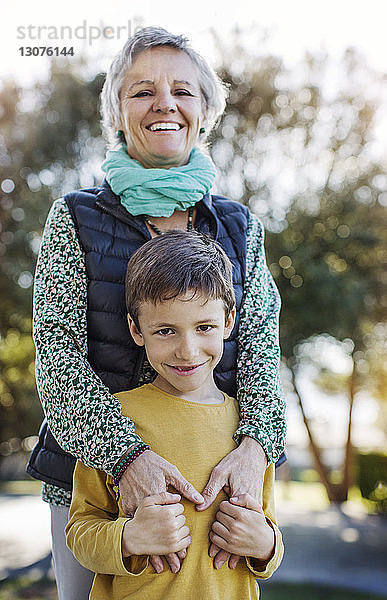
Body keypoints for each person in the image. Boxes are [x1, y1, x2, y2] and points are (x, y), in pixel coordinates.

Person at [27, 26, 286, 600]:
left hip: (211, 486)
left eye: (183, 91)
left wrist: (255, 452)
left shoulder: (239, 227)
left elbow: (262, 357)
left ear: (205, 110)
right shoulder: (74, 217)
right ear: (117, 112)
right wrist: (127, 458)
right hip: (96, 485)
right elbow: (58, 360)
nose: (164, 104)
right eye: (142, 91)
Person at [66, 230, 284, 600]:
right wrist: (130, 537)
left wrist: (264, 544)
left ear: (229, 321)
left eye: (204, 328)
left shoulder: (250, 434)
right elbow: (80, 531)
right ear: (137, 329)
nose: (187, 350)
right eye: (166, 330)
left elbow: (270, 532)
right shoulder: (113, 419)